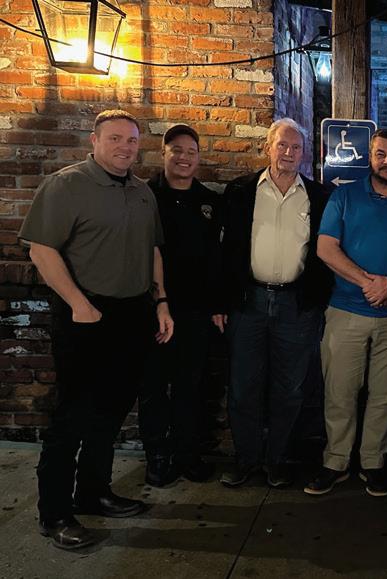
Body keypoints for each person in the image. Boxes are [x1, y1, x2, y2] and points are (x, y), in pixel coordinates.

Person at [20, 109, 174, 550]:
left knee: (110, 411)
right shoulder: (66, 185)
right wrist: (78, 304)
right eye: (116, 138)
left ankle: (93, 492)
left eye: (132, 140)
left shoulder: (142, 192)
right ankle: (54, 513)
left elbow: (153, 251)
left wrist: (161, 302)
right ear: (94, 140)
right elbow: (41, 250)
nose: (125, 147)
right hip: (85, 313)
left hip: (133, 314)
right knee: (72, 416)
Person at [307, 129, 387, 497]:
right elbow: (326, 249)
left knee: (386, 395)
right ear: (370, 156)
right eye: (381, 154)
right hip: (346, 309)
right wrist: (368, 282)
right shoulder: (344, 196)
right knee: (339, 391)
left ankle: (373, 463)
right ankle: (335, 462)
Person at [214, 118, 333, 489]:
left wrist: (318, 302)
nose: (289, 153)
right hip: (248, 302)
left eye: (296, 147)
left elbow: (327, 251)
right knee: (242, 386)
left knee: (290, 389)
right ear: (268, 147)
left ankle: (277, 461)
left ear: (304, 153)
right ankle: (247, 460)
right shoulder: (240, 191)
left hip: (297, 305)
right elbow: (223, 251)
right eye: (282, 145)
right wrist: (221, 301)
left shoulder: (319, 196)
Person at [139, 124, 221, 487]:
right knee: (154, 384)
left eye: (191, 152)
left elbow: (217, 257)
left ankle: (188, 454)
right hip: (153, 307)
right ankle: (157, 457)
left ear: (199, 157)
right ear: (163, 153)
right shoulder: (144, 196)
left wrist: (217, 304)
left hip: (196, 310)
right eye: (177, 150)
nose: (184, 158)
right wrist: (159, 301)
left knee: (192, 385)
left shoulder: (209, 201)